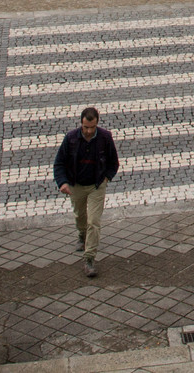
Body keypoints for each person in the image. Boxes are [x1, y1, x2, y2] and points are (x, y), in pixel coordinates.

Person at [53, 106, 119, 276]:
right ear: (81, 124)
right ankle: (82, 235)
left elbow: (113, 162)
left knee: (94, 221)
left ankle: (89, 257)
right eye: (86, 127)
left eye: (92, 127)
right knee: (80, 216)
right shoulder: (71, 138)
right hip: (76, 185)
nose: (89, 131)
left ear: (97, 124)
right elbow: (59, 163)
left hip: (96, 185)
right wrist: (63, 182)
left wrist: (106, 178)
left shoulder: (105, 137)